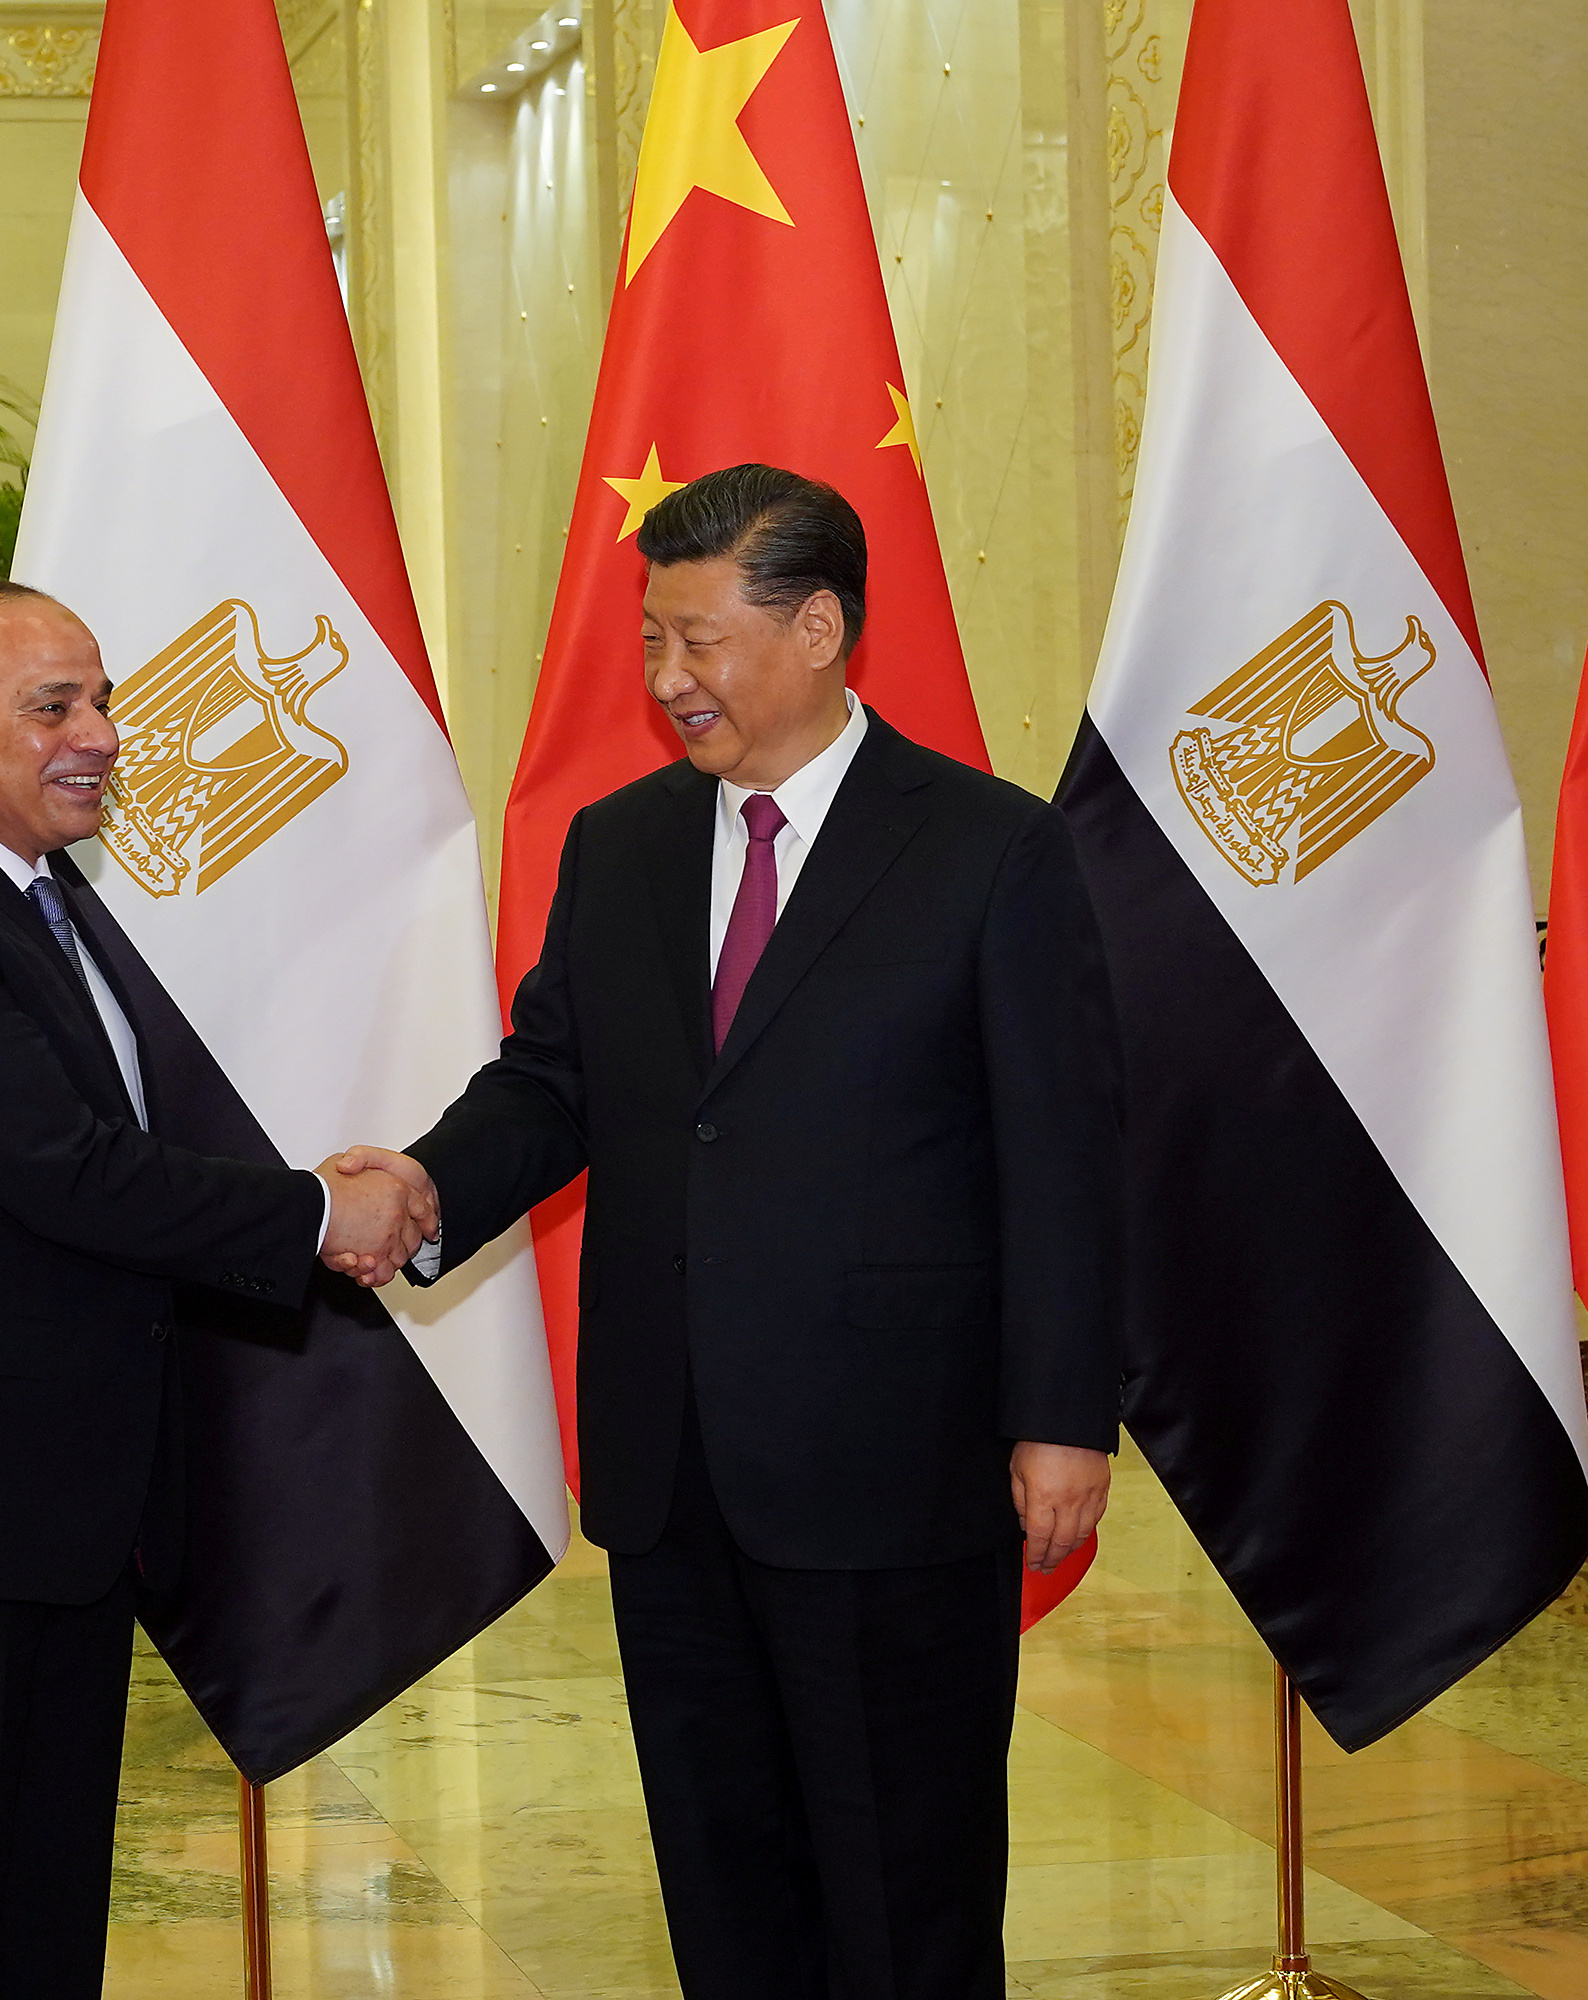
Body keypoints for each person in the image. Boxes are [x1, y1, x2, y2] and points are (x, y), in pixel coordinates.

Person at [343, 465, 1125, 1999]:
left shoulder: (987, 850)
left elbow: (1064, 1153)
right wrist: (425, 1188)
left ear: (820, 627)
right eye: (652, 641)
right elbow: (558, 1081)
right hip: (675, 1464)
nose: (665, 679)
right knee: (725, 1883)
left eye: (697, 640)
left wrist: (1060, 1415)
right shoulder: (621, 844)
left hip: (895, 1466)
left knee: (906, 1897)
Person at [0, 577, 428, 1999]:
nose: (106, 734)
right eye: (54, 705)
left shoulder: (33, 903)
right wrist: (319, 1213)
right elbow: (72, 1177)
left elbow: (104, 1174)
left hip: (45, 1507)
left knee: (39, 1912)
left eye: (103, 699)